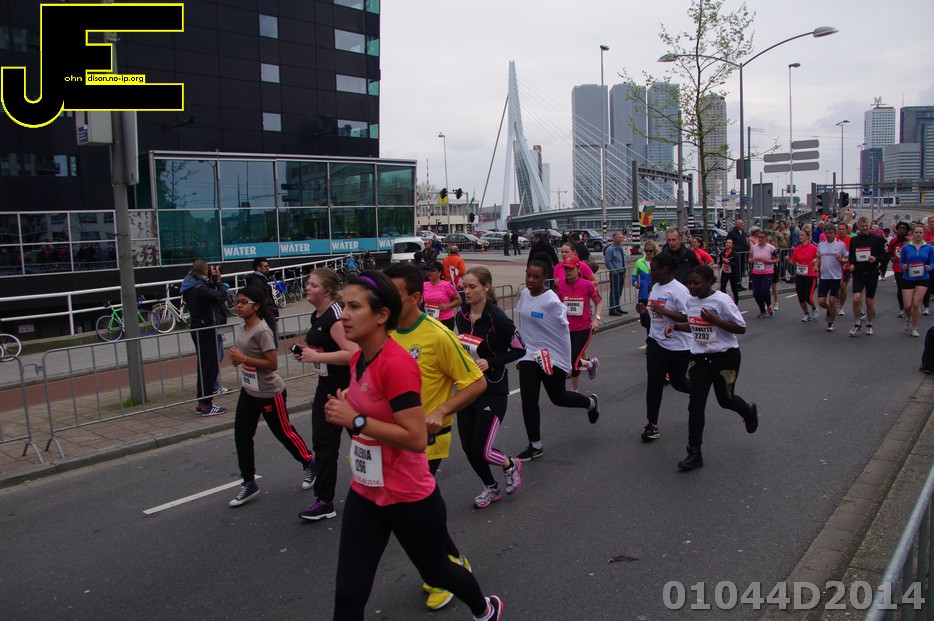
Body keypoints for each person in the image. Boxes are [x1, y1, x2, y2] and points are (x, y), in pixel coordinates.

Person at [323, 270, 503, 621]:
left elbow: (416, 438)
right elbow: (371, 408)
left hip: (407, 495)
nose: (343, 315)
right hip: (366, 490)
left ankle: (485, 609)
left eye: (354, 307)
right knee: (348, 596)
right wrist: (349, 406)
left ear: (381, 315)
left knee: (438, 571)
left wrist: (356, 420)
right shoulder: (360, 359)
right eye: (343, 305)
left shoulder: (399, 362)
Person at [382, 262, 487, 610]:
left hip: (427, 439)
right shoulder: (384, 331)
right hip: (392, 438)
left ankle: (448, 567)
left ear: (415, 297)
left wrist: (440, 411)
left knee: (415, 512)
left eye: (393, 295)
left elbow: (476, 383)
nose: (385, 301)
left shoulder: (438, 336)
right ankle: (448, 562)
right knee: (412, 512)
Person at [227, 284, 315, 507]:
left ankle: (309, 462)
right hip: (249, 390)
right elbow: (247, 356)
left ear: (256, 306)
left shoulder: (262, 331)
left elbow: (272, 364)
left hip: (269, 392)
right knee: (242, 436)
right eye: (237, 302)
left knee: (283, 432)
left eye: (244, 302)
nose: (239, 306)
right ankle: (249, 482)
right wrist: (239, 360)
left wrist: (243, 359)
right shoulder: (243, 327)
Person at [664, 266, 758, 471]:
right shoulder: (691, 301)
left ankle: (747, 410)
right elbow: (695, 324)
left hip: (725, 357)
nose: (691, 286)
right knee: (696, 404)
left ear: (709, 282)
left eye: (696, 283)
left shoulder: (722, 300)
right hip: (699, 358)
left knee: (725, 400)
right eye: (689, 282)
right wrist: (676, 326)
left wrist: (716, 321)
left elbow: (741, 328)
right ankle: (694, 451)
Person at [514, 260, 600, 462]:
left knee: (558, 398)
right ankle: (535, 445)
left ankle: (590, 403)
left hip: (551, 356)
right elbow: (524, 324)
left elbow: (563, 333)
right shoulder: (525, 294)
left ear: (545, 279)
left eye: (536, 277)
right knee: (528, 398)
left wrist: (566, 362)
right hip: (530, 354)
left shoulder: (552, 301)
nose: (530, 280)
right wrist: (521, 352)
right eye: (528, 275)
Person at [454, 267, 526, 509]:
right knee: (468, 448)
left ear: (486, 287)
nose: (467, 291)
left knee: (483, 449)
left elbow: (520, 349)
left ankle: (510, 465)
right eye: (464, 287)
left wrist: (491, 362)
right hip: (467, 388)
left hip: (493, 390)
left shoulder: (498, 319)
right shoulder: (462, 316)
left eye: (472, 287)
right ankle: (491, 488)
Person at [295, 268, 359, 521]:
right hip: (325, 388)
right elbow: (325, 348)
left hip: (347, 390)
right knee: (323, 444)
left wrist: (318, 356)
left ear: (328, 290)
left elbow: (352, 354)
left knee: (366, 441)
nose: (308, 288)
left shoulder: (336, 317)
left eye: (313, 285)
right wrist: (308, 353)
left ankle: (388, 485)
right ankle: (324, 501)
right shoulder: (318, 314)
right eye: (308, 284)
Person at [635, 252, 691, 442]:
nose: (650, 273)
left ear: (664, 269)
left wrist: (664, 311)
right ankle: (652, 424)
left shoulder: (679, 291)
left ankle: (697, 392)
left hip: (678, 345)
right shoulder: (655, 287)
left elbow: (688, 318)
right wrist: (644, 312)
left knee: (678, 382)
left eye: (653, 270)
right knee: (654, 382)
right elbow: (654, 315)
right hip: (656, 341)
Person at [180, 259, 229, 416]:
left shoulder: (191, 284)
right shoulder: (200, 289)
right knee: (209, 367)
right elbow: (222, 296)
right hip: (206, 329)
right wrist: (218, 280)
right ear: (205, 271)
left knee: (204, 366)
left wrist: (211, 281)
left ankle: (203, 402)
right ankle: (206, 404)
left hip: (199, 327)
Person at [556, 255, 603, 392]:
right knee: (568, 359)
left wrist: (597, 319)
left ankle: (574, 392)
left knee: (572, 362)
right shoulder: (561, 285)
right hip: (566, 329)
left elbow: (598, 301)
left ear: (578, 269)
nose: (567, 271)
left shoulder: (587, 285)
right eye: (565, 269)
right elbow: (557, 306)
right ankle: (590, 364)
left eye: (570, 269)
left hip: (583, 329)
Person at [848, 217, 887, 337]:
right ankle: (857, 324)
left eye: (866, 226)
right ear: (858, 227)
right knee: (856, 298)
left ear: (869, 226)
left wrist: (876, 259)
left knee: (869, 302)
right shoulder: (854, 240)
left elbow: (884, 255)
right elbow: (851, 256)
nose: (864, 228)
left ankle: (869, 324)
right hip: (858, 273)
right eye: (862, 226)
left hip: (872, 273)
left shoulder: (877, 239)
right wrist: (852, 264)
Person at [899, 224, 934, 337]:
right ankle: (909, 318)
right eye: (916, 232)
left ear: (924, 234)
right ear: (912, 233)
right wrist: (903, 266)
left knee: (916, 303)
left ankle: (914, 328)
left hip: (923, 278)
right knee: (907, 305)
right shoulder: (906, 247)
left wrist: (930, 267)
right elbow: (901, 262)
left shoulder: (929, 248)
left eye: (920, 232)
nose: (918, 234)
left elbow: (932, 262)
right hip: (908, 277)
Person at [816, 223, 849, 333]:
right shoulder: (821, 245)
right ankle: (830, 309)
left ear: (835, 233)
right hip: (824, 277)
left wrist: (842, 260)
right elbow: (818, 257)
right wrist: (816, 265)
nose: (828, 235)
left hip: (836, 277)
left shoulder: (840, 245)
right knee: (821, 301)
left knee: (832, 299)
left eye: (831, 233)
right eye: (827, 233)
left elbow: (847, 258)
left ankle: (831, 322)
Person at [787, 228, 819, 322]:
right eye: (799, 235)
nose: (800, 237)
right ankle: (806, 314)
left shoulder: (814, 248)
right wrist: (788, 259)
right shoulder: (797, 249)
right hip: (800, 274)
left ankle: (814, 308)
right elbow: (793, 262)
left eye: (802, 235)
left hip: (810, 274)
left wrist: (816, 263)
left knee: (808, 297)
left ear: (808, 237)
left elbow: (819, 259)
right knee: (801, 297)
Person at [748, 227, 778, 318]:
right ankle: (762, 310)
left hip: (767, 272)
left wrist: (769, 261)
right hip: (756, 272)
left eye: (762, 237)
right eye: (759, 237)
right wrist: (751, 260)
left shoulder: (771, 248)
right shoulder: (754, 247)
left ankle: (769, 305)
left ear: (766, 238)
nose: (760, 239)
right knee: (756, 293)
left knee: (764, 291)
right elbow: (750, 257)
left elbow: (777, 259)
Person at [423, 261, 461, 331]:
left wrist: (447, 306)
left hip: (445, 320)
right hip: (430, 320)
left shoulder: (447, 285)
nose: (429, 272)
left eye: (432, 270)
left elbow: (458, 300)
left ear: (440, 272)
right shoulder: (424, 285)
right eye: (428, 270)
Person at [246, 257, 280, 332]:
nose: (268, 268)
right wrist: (269, 313)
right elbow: (262, 301)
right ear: (258, 268)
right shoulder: (257, 282)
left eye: (268, 266)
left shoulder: (262, 280)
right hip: (265, 318)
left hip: (267, 317)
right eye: (265, 266)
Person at [632, 241, 657, 336]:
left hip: (655, 293)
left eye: (650, 251)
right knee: (644, 320)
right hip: (643, 294)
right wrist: (635, 283)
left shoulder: (658, 262)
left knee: (654, 319)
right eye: (646, 251)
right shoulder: (639, 262)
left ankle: (651, 338)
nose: (648, 253)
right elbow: (634, 276)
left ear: (654, 250)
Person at [888, 222, 912, 317]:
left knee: (909, 289)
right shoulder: (893, 241)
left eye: (903, 228)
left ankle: (909, 307)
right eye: (899, 228)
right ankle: (902, 309)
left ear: (907, 230)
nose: (901, 230)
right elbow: (889, 251)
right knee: (900, 288)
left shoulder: (910, 241)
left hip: (910, 268)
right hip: (898, 268)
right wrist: (891, 257)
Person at [604, 231, 629, 315]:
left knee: (619, 291)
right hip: (615, 273)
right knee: (614, 291)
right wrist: (614, 271)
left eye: (622, 237)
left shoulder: (621, 248)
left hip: (622, 272)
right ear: (614, 238)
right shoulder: (610, 249)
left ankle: (618, 307)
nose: (621, 239)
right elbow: (607, 261)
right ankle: (612, 309)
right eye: (619, 237)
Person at [835, 222, 853, 318]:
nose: (841, 231)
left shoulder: (851, 240)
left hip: (846, 266)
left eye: (843, 229)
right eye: (839, 229)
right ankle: (837, 301)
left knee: (843, 287)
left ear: (846, 230)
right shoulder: (834, 239)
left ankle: (841, 306)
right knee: (836, 287)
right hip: (835, 266)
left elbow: (853, 254)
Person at [726, 219, 750, 289]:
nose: (742, 225)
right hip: (736, 253)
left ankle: (740, 284)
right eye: (741, 223)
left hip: (743, 253)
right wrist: (734, 249)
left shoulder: (743, 232)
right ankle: (736, 285)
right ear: (737, 224)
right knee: (736, 269)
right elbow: (728, 241)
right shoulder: (732, 233)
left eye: (742, 223)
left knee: (742, 269)